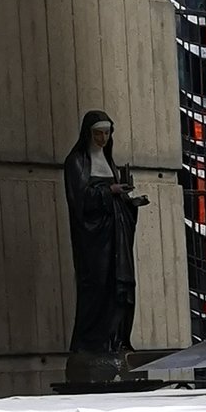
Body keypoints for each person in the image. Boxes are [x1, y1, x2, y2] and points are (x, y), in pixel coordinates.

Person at [62, 110, 146, 369]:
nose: (102, 138)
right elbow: (80, 201)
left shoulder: (109, 162)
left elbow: (114, 198)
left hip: (116, 236)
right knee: (99, 287)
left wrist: (129, 204)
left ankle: (116, 341)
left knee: (121, 288)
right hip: (94, 241)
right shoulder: (77, 161)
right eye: (98, 133)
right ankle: (94, 344)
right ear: (88, 133)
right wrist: (109, 191)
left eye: (107, 133)